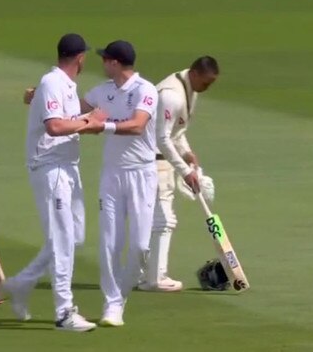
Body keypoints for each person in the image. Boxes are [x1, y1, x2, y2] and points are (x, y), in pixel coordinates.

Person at [3, 33, 102, 332]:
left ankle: (21, 283)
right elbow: (55, 126)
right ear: (80, 57)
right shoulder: (52, 82)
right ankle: (64, 313)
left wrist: (92, 120)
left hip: (68, 167)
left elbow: (65, 118)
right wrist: (88, 123)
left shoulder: (66, 86)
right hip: (50, 167)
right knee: (62, 239)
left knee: (75, 237)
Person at [77, 40, 159, 327]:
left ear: (115, 63)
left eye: (105, 60)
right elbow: (76, 110)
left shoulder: (145, 90)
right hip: (111, 175)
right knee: (110, 243)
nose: (102, 64)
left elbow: (137, 125)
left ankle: (121, 295)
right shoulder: (102, 91)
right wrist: (38, 99)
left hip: (142, 174)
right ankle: (113, 304)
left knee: (139, 246)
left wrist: (103, 126)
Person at [139, 56, 220, 292]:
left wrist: (187, 153)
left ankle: (145, 275)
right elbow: (162, 138)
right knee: (164, 220)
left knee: (151, 220)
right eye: (206, 82)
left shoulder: (189, 88)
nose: (207, 88)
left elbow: (176, 130)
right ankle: (156, 278)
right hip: (151, 159)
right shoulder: (171, 95)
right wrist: (185, 171)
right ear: (194, 73)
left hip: (158, 158)